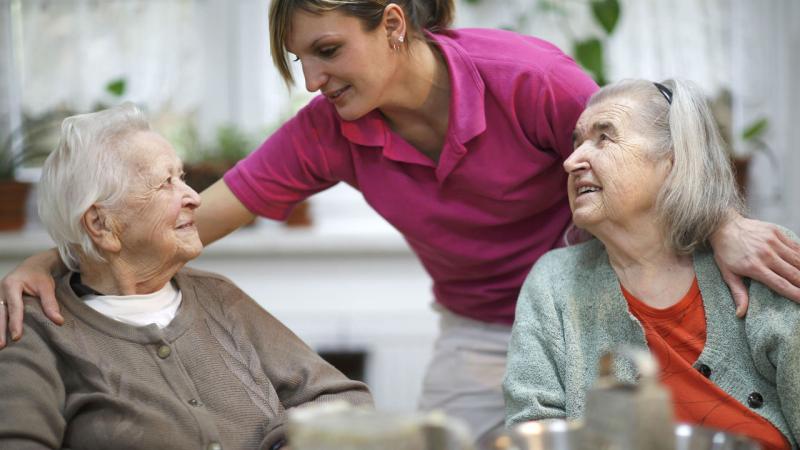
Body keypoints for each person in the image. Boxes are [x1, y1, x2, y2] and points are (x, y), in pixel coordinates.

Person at [2, 0, 799, 440]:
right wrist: (62, 255)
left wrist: (719, 220)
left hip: (597, 310)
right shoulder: (330, 131)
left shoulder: (526, 79)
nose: (312, 80)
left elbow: (640, 149)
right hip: (480, 333)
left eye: (326, 51)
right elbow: (186, 224)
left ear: (391, 24)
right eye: (300, 63)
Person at [0, 103, 372, 450]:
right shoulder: (35, 329)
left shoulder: (220, 298)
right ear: (100, 223)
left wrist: (285, 439)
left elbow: (344, 400)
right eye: (166, 183)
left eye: (182, 177)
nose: (194, 196)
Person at [503, 79, 799, 450]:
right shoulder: (554, 282)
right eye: (577, 142)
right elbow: (533, 429)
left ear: (672, 162)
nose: (571, 161)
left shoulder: (762, 260)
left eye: (604, 138)